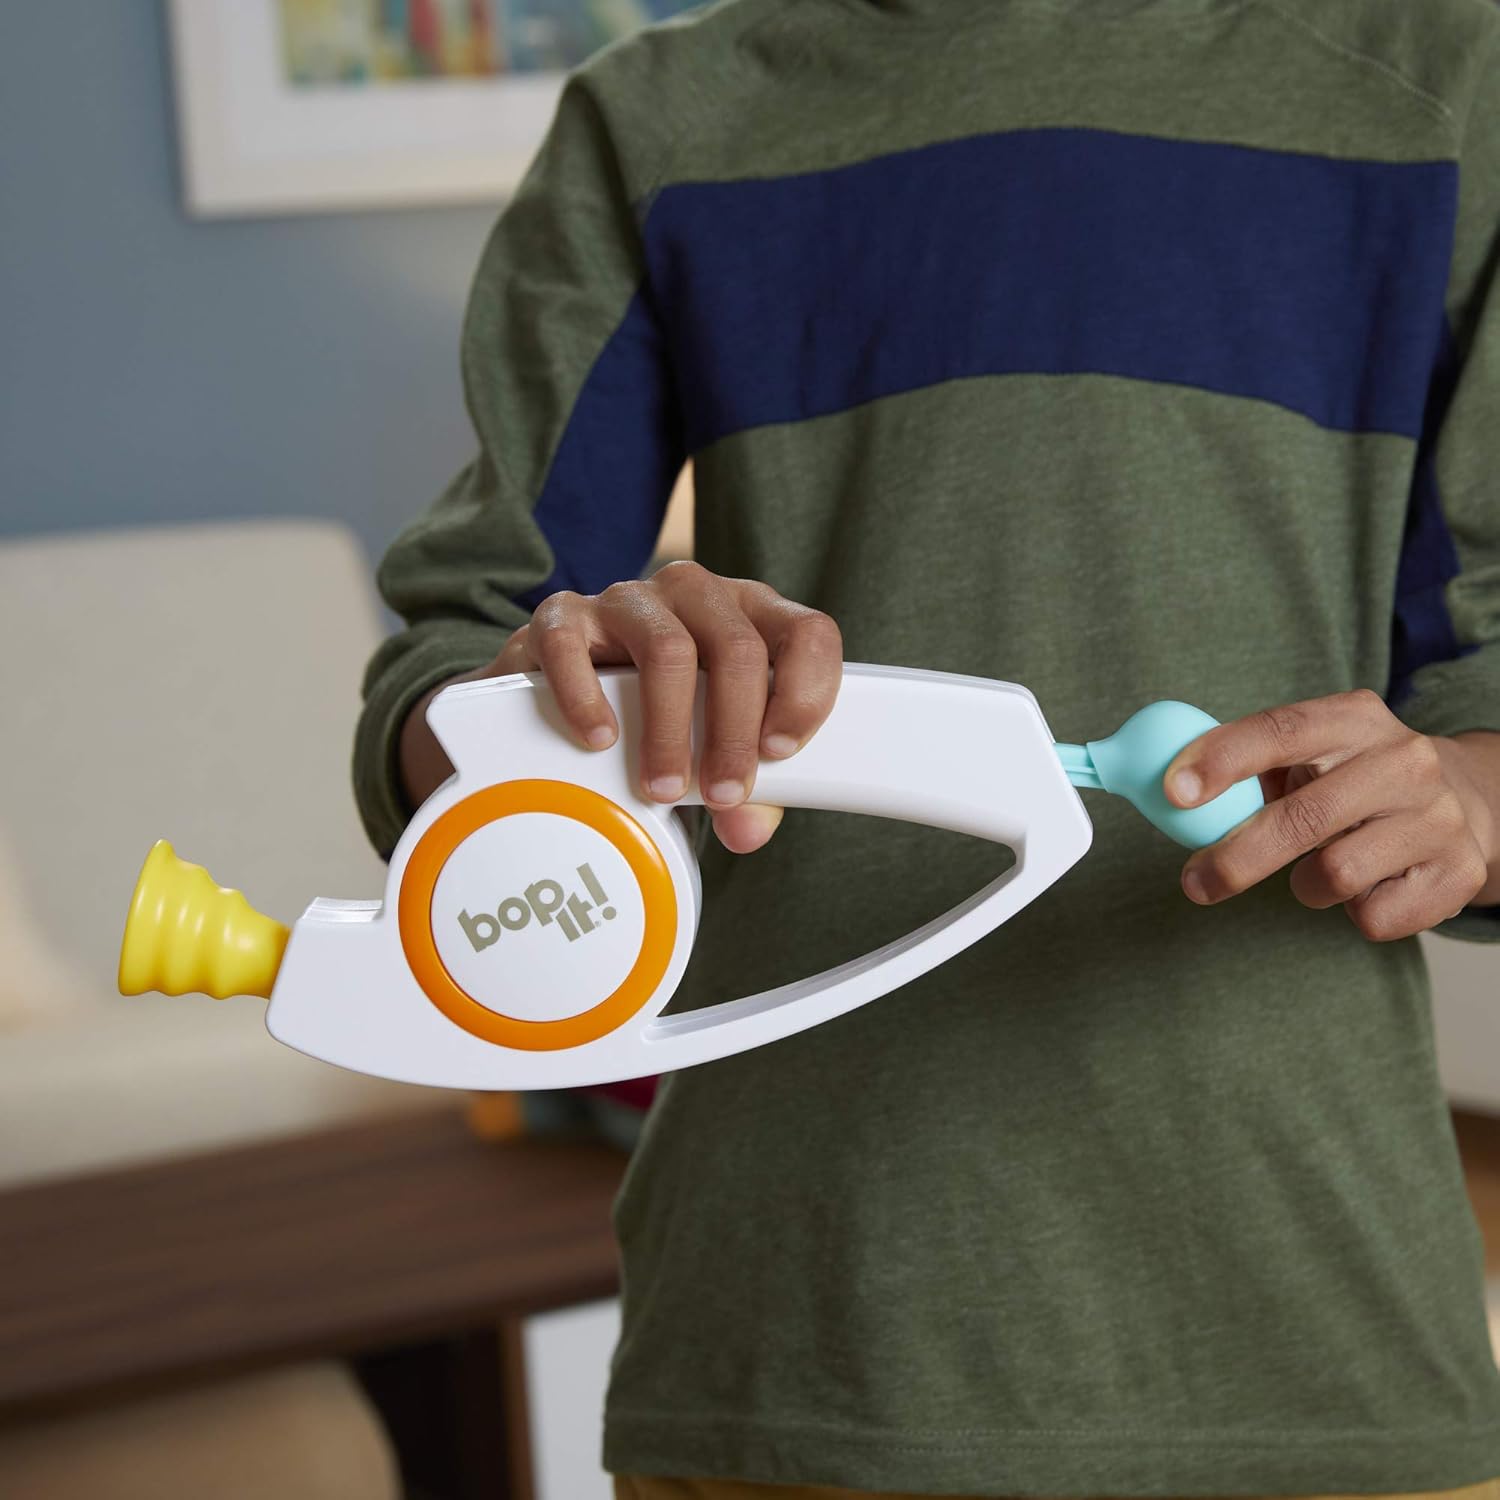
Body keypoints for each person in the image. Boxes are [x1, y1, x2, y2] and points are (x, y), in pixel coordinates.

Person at [353, 0, 1500, 1494]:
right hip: (794, 1334)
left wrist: (1471, 792)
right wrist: (555, 697)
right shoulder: (660, 119)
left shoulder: (1450, 81)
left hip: (1316, 1343)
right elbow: (451, 667)